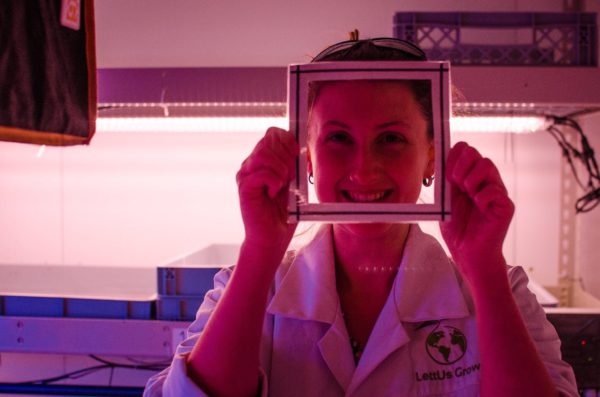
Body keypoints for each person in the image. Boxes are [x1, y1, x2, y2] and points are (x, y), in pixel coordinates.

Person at [144, 36, 578, 397]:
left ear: (432, 156)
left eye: (391, 138)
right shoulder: (248, 285)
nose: (364, 168)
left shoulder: (501, 291)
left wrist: (484, 270)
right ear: (306, 158)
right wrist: (260, 251)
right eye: (337, 138)